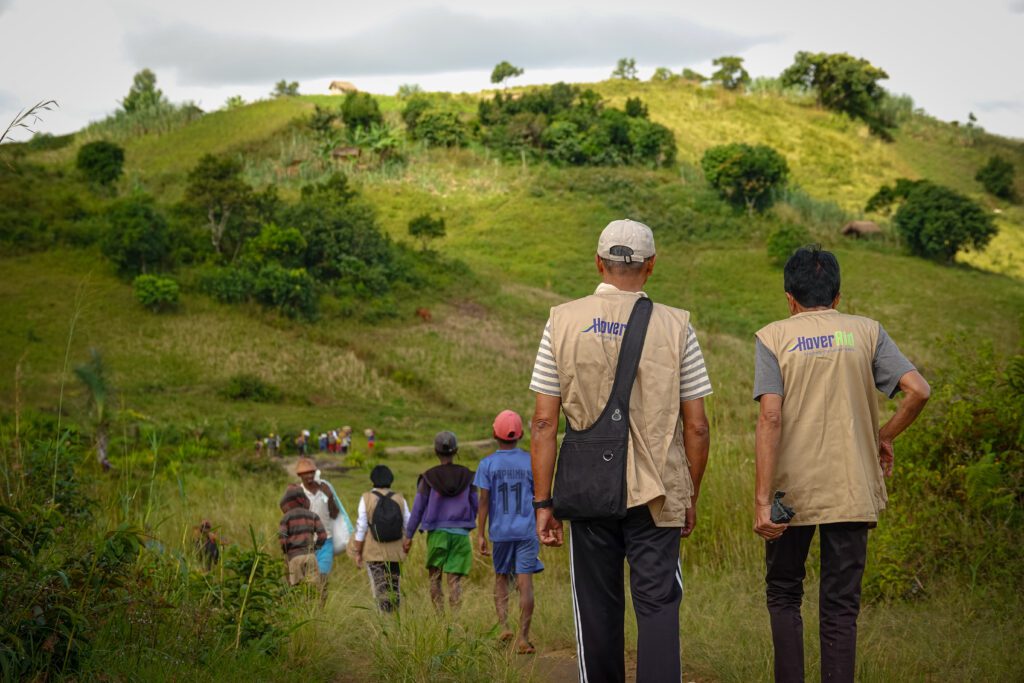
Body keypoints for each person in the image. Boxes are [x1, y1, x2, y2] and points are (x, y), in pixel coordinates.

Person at [530, 219, 713, 683]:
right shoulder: (678, 327)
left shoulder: (561, 321)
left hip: (588, 489)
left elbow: (544, 422)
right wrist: (687, 492)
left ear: (598, 262)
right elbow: (697, 425)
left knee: (596, 607)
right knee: (657, 606)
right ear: (651, 265)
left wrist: (543, 502)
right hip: (657, 492)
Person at [752, 246, 930, 683]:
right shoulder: (866, 332)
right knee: (840, 605)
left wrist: (760, 501)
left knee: (783, 593)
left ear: (789, 297)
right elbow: (918, 391)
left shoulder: (772, 336)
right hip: (851, 488)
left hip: (789, 495)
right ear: (837, 297)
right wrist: (883, 437)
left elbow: (770, 415)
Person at [475, 410, 543, 655]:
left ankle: (504, 626)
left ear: (495, 434)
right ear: (520, 435)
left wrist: (480, 533)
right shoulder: (530, 461)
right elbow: (539, 497)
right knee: (525, 583)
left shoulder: (487, 464)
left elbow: (484, 502)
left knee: (501, 578)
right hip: (526, 531)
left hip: (500, 533)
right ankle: (524, 638)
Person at [403, 431, 478, 612]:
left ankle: (439, 619)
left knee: (435, 578)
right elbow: (476, 505)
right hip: (460, 535)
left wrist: (408, 535)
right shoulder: (468, 476)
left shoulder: (428, 478)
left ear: (435, 451)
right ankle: (456, 621)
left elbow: (418, 509)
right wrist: (467, 521)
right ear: (456, 450)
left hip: (437, 534)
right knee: (454, 581)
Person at [351, 465, 411, 612]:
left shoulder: (366, 498)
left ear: (373, 481)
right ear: (391, 480)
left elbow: (361, 528)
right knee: (394, 586)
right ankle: (395, 618)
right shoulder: (400, 498)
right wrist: (407, 545)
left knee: (378, 588)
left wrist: (358, 552)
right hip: (395, 553)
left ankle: (383, 620)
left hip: (373, 552)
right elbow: (408, 525)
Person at [295, 457, 340, 584]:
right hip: (306, 543)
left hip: (326, 541)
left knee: (322, 578)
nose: (310, 475)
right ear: (300, 475)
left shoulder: (325, 488)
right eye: (306, 473)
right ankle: (310, 604)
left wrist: (330, 497)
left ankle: (321, 604)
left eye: (312, 472)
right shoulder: (298, 493)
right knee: (307, 581)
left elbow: (335, 514)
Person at [278, 484, 327, 587]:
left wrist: (287, 551)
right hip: (310, 556)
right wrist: (315, 548)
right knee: (313, 590)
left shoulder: (285, 518)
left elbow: (282, 539)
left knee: (297, 589)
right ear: (304, 499)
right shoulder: (313, 516)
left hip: (294, 558)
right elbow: (323, 535)